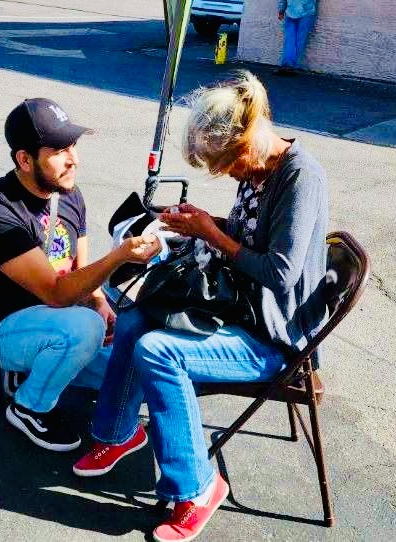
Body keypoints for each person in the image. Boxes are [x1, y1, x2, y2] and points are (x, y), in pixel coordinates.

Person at [72, 71, 328, 542]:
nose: (228, 173)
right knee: (135, 318)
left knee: (157, 351)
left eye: (228, 164)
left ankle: (198, 487)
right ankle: (117, 433)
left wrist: (213, 235)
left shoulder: (299, 176)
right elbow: (251, 233)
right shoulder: (259, 165)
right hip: (244, 310)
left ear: (247, 139)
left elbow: (280, 273)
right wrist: (202, 223)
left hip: (275, 337)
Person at [0, 98, 161, 452]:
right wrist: (120, 255)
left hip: (54, 318)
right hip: (1, 331)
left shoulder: (68, 194)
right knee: (85, 328)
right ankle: (28, 407)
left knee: (135, 366)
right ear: (25, 160)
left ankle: (41, 368)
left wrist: (99, 302)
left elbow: (81, 272)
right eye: (59, 151)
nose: (73, 159)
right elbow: (56, 292)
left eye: (73, 146)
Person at [275, 0, 317, 75]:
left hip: (291, 10)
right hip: (307, 11)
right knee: (300, 40)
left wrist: (281, 10)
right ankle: (292, 66)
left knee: (289, 39)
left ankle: (287, 64)